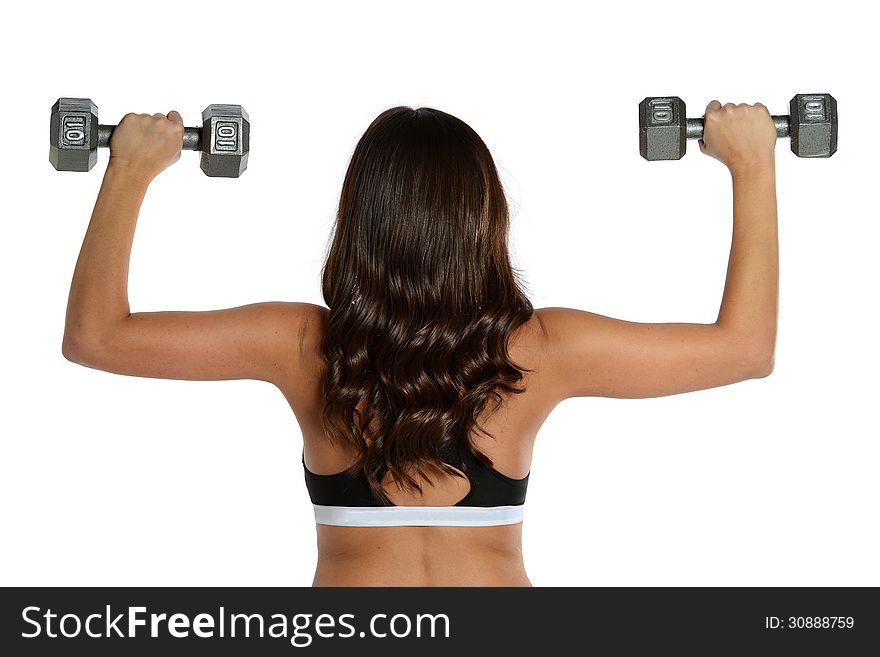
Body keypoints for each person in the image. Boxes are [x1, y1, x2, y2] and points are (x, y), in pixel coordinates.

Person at [62, 100, 778, 586]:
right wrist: (752, 166)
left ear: (358, 221)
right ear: (485, 216)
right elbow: (744, 348)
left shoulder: (301, 343)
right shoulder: (545, 348)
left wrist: (130, 166)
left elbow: (97, 336)